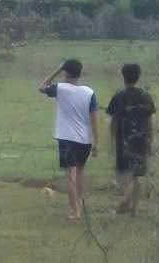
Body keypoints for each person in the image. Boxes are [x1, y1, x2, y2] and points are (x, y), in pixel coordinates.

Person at [38, 59, 99, 222]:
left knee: (70, 176)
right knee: (79, 174)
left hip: (67, 139)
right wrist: (96, 142)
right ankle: (79, 204)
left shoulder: (60, 88)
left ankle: (75, 211)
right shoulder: (89, 92)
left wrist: (57, 70)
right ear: (80, 73)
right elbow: (94, 119)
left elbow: (42, 86)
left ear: (65, 73)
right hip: (85, 140)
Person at [107, 63, 156, 214]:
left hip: (124, 141)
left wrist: (112, 140)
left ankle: (125, 202)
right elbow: (149, 121)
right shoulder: (145, 96)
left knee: (124, 175)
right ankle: (134, 208)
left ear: (123, 76)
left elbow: (114, 121)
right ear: (138, 76)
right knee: (138, 175)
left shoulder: (118, 96)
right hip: (141, 139)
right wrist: (150, 140)